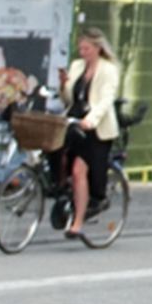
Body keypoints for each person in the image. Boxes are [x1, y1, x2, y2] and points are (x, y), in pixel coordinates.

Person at [59, 28, 121, 241]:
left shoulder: (108, 69)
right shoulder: (77, 66)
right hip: (75, 122)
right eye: (81, 48)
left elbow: (105, 100)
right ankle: (68, 198)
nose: (82, 52)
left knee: (79, 171)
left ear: (97, 48)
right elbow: (69, 99)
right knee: (61, 158)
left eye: (86, 48)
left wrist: (91, 121)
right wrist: (63, 85)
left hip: (96, 128)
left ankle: (78, 222)